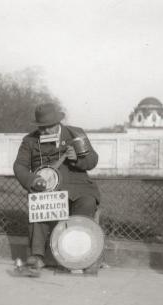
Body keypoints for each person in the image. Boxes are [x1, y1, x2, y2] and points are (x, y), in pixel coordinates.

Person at [13, 102, 100, 269]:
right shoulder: (30, 140)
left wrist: (76, 159)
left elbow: (92, 161)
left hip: (78, 186)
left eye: (49, 127)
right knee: (39, 203)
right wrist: (33, 181)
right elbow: (19, 166)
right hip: (47, 188)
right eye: (41, 127)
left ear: (58, 122)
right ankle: (37, 256)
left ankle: (78, 256)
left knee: (87, 202)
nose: (45, 131)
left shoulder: (75, 134)